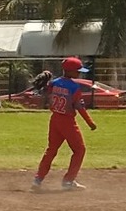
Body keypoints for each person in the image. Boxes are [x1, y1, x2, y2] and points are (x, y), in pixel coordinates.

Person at [33, 56, 97, 191]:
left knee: (51, 150)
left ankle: (37, 180)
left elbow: (46, 98)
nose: (79, 73)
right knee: (79, 150)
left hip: (55, 119)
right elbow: (80, 107)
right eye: (77, 71)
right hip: (67, 122)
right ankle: (68, 181)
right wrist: (90, 123)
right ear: (71, 72)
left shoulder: (54, 83)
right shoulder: (74, 87)